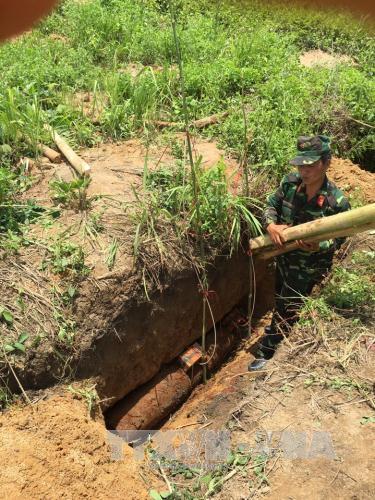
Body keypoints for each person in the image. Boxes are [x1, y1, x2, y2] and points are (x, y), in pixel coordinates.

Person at [248, 135, 351, 371]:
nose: (305, 171)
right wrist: (270, 225)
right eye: (301, 165)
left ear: (326, 163)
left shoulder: (337, 202)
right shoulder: (290, 182)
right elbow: (271, 205)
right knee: (280, 295)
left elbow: (341, 238)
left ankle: (267, 352)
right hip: (283, 258)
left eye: (311, 165)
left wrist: (319, 245)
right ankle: (281, 328)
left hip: (309, 266)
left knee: (288, 304)